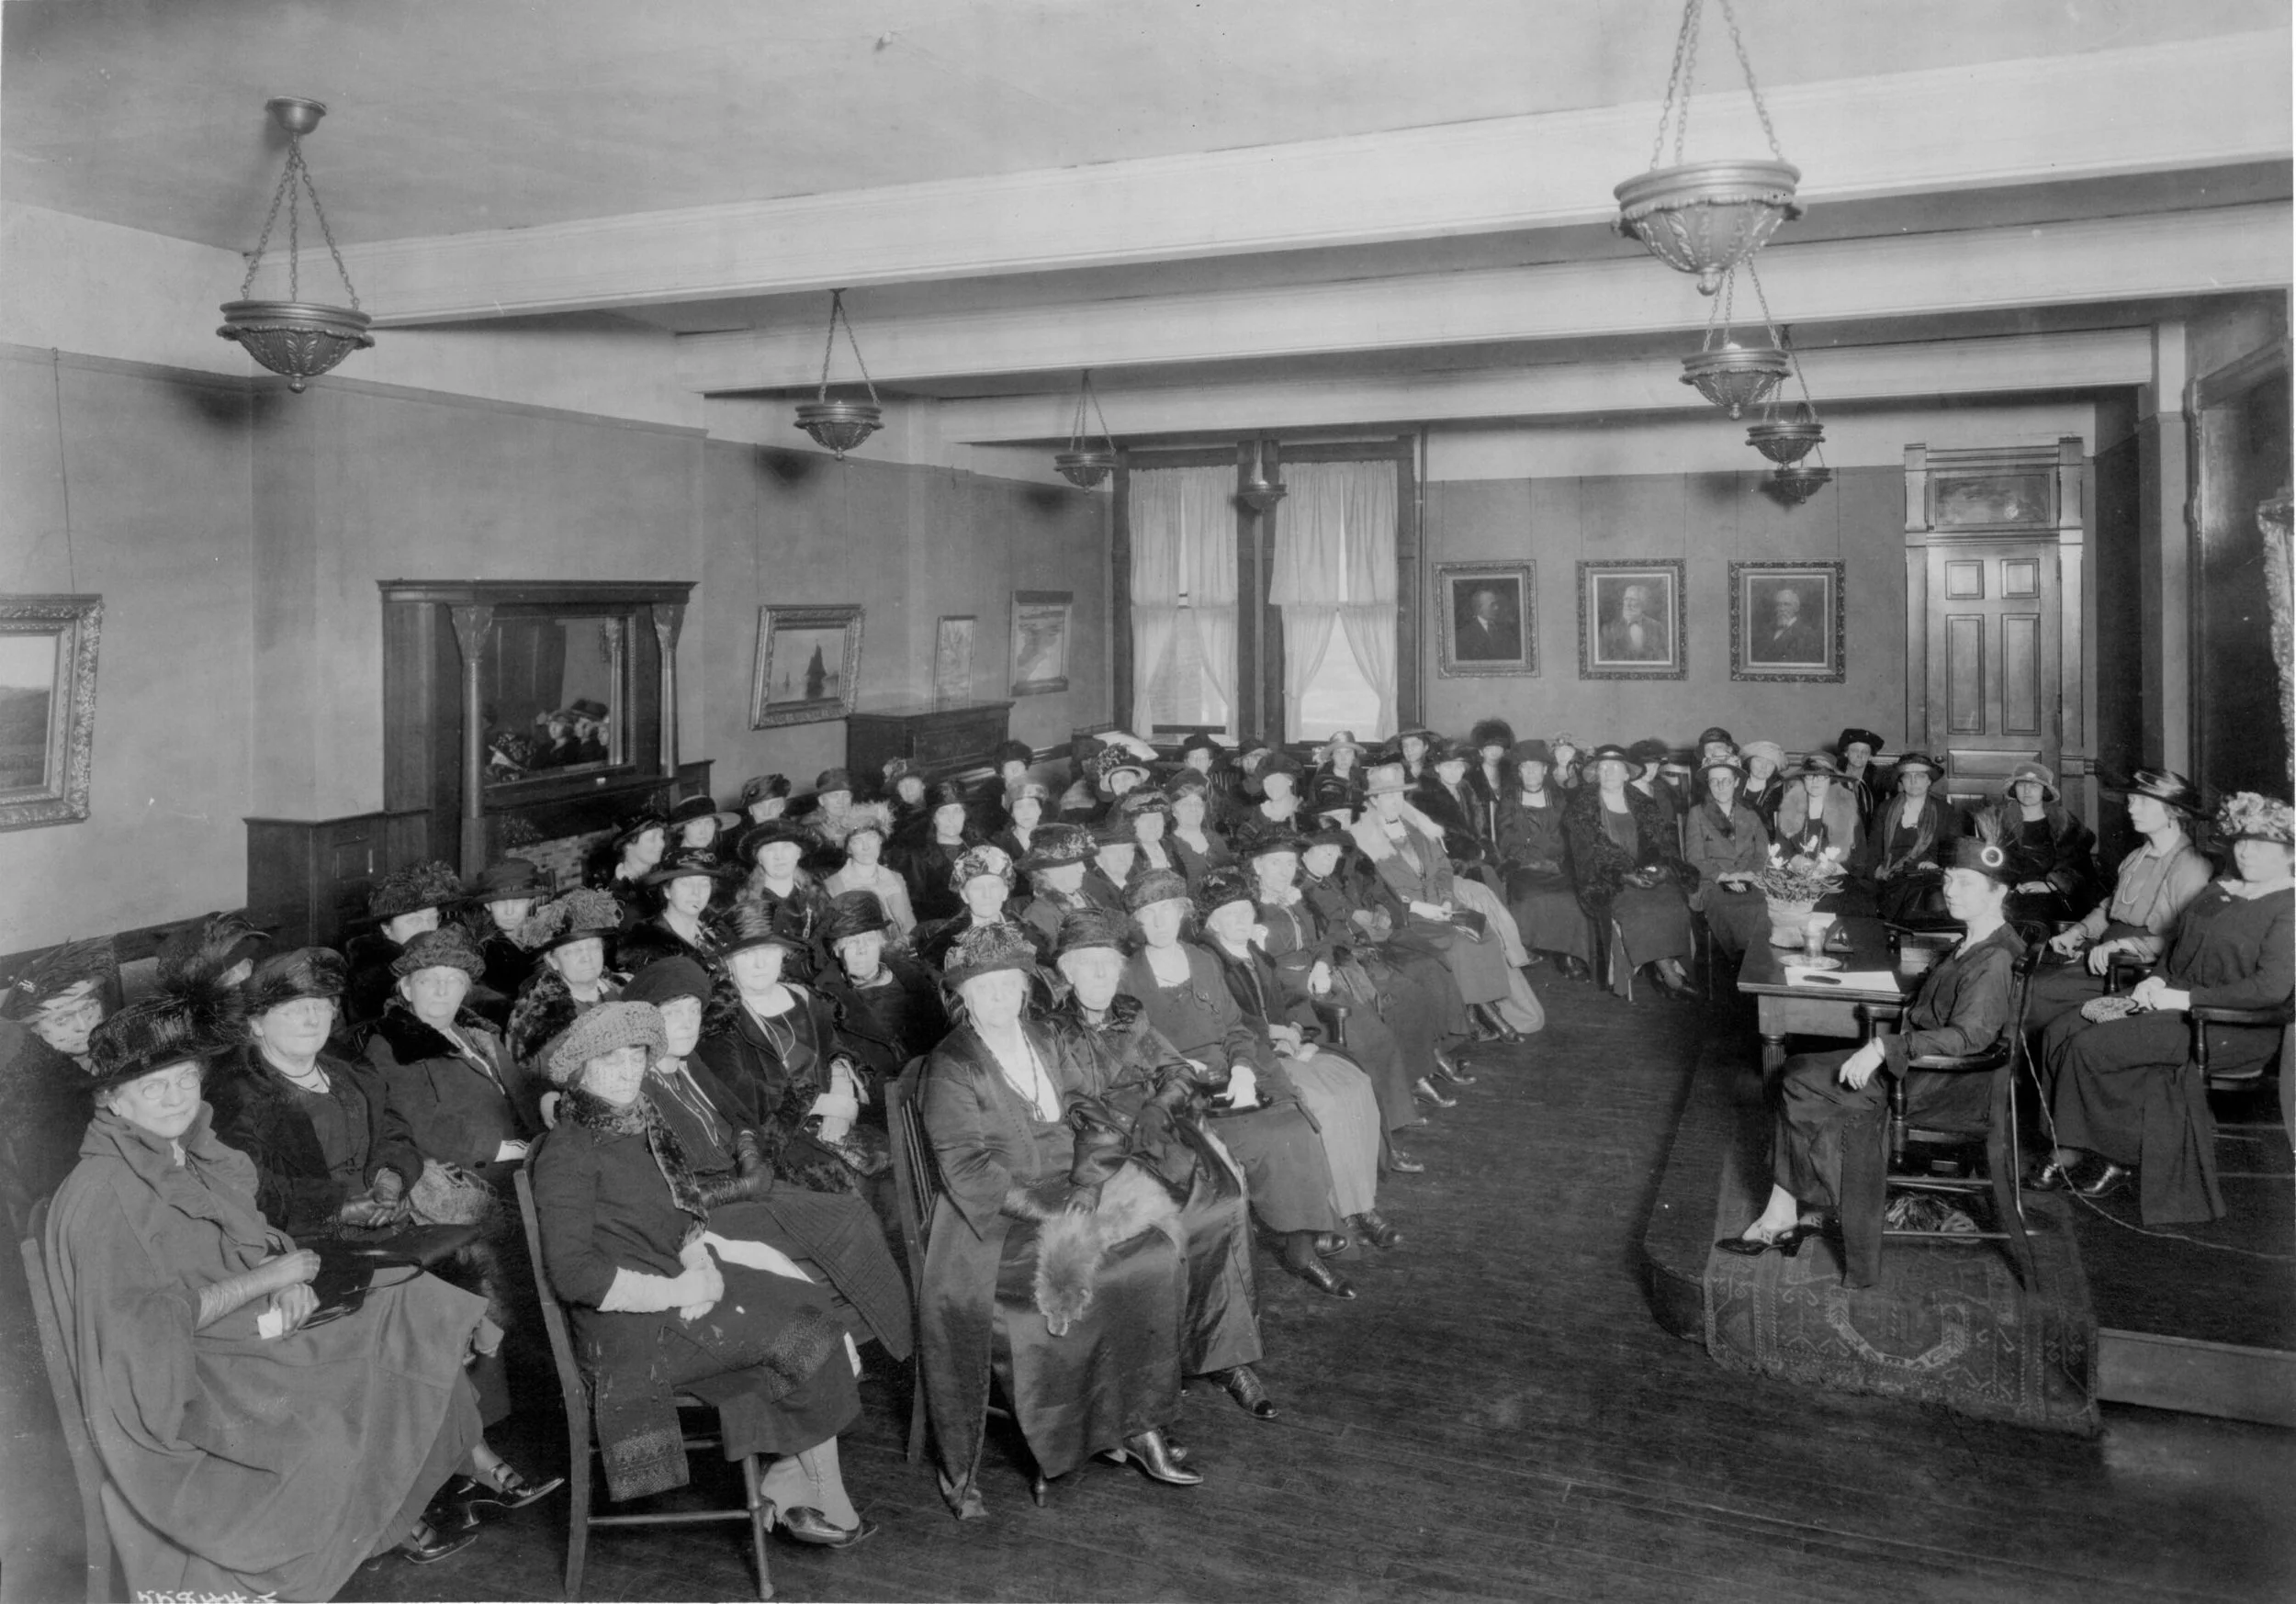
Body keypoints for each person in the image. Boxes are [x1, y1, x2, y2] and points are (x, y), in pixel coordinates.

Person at [48, 970, 546, 1589]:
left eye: (185, 1078)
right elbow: (146, 1333)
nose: (176, 1097)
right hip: (201, 1370)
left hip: (251, 1326)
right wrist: (269, 1279)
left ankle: (411, 1496)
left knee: (418, 1302)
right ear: (112, 1100)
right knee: (369, 1363)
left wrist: (280, 1273)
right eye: (154, 1086)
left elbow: (253, 1232)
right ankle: (376, 1520)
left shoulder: (189, 1149)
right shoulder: (105, 1194)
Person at [530, 1003, 873, 1545]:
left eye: (636, 1056)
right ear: (580, 1070)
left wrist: (702, 1268)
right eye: (610, 1060)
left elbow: (683, 1216)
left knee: (808, 1303)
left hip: (673, 1288)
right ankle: (817, 1493)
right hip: (628, 1330)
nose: (626, 1071)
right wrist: (677, 1289)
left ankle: (790, 1476)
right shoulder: (568, 1151)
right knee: (805, 1331)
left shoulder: (640, 1124)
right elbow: (575, 1276)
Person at [918, 923, 1202, 1518]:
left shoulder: (1044, 1036)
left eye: (1009, 985)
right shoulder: (951, 1065)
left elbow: (1086, 1107)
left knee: (1154, 1253)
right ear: (962, 997)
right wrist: (1051, 1208)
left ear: (1026, 989)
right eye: (985, 989)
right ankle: (1082, 1433)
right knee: (1095, 1275)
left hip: (1070, 1187)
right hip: (994, 1220)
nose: (1000, 998)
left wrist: (1089, 1180)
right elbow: (968, 1169)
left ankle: (1138, 1422)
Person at [1722, 836, 2026, 1286]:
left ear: (1999, 892)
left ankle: (1796, 1206)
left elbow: (1969, 1037)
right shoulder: (1975, 941)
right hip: (1919, 1067)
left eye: (1965, 882)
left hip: (1938, 1085)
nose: (1950, 890)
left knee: (1799, 1083)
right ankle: (1784, 1208)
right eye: (1948, 879)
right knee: (1797, 1072)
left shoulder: (1995, 957)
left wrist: (1885, 1047)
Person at [1041, 907, 1276, 1419]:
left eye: (1109, 965)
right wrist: (1124, 1122)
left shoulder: (1131, 1013)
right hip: (1099, 1150)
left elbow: (1176, 1070)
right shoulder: (1052, 1030)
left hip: (1157, 1133)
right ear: (1067, 971)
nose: (1101, 975)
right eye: (1088, 965)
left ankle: (1227, 1355)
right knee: (1167, 1229)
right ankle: (1167, 1358)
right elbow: (1068, 1101)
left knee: (1224, 1203)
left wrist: (1159, 1107)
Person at [621, 958, 914, 1363]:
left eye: (693, 1011)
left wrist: (749, 1157)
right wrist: (742, 1185)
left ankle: (873, 1343)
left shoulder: (688, 1064)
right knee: (836, 1231)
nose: (687, 1024)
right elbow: (665, 1193)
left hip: (745, 1186)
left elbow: (739, 1118)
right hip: (702, 1215)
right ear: (647, 1022)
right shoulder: (637, 1088)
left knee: (853, 1212)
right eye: (672, 1014)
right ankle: (842, 1350)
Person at [2033, 791, 2293, 1223]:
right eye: (2243, 841)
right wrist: (2156, 979)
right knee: (2063, 1028)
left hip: (2229, 1025)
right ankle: (2070, 1141)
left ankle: (2108, 1155)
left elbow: (2270, 989)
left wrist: (2185, 999)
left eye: (2262, 845)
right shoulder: (2221, 889)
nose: (2247, 852)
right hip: (2175, 1002)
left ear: (2290, 854)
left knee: (2092, 1047)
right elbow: (2177, 949)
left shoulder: (2289, 905)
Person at [1121, 872, 1357, 1297]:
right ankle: (1298, 1239)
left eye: (1167, 911)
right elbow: (1133, 1045)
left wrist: (1244, 1069)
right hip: (1178, 1087)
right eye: (1148, 914)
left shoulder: (1202, 960)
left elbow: (1234, 1026)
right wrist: (1179, 1065)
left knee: (1295, 1121)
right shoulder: (1127, 976)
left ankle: (1299, 1236)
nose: (1159, 923)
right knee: (1270, 1137)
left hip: (1232, 1073)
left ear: (1182, 914)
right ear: (1136, 922)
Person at [1235, 832, 1435, 1158]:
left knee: (1379, 1037)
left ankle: (1394, 1117)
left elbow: (1322, 941)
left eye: (1290, 863)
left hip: (1318, 982)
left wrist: (1321, 967)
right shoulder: (1248, 910)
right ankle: (1377, 1142)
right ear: (1257, 867)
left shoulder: (1297, 899)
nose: (1284, 871)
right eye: (1275, 863)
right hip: (1285, 997)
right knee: (1359, 1049)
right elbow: (1251, 970)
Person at [694, 903, 886, 1199]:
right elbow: (738, 1091)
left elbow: (834, 1048)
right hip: (777, 1142)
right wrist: (821, 1105)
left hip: (838, 1122)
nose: (760, 964)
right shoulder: (721, 1017)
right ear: (728, 962)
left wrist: (842, 1090)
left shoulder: (803, 996)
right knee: (854, 1195)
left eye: (769, 951)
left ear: (783, 955)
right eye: (747, 955)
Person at [1352, 763, 1528, 1038]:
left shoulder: (1418, 828)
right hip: (1407, 917)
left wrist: (1446, 900)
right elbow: (1372, 892)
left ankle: (1478, 1009)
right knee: (1459, 944)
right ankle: (1482, 1015)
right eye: (1387, 796)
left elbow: (1444, 869)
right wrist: (1417, 907)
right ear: (1373, 800)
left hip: (1443, 907)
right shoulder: (1363, 840)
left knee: (1484, 934)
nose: (1394, 801)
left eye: (1398, 795)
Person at [2031, 768, 2213, 1027]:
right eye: (2131, 801)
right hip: (2103, 959)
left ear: (2174, 811)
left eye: (2143, 802)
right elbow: (2111, 908)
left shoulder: (2191, 867)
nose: (2131, 809)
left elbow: (2186, 941)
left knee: (2037, 991)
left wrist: (2125, 945)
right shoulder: (2136, 857)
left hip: (2135, 971)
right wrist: (2078, 932)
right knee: (2029, 979)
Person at [366, 926, 544, 1177]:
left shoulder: (475, 1034)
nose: (442, 991)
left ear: (465, 990)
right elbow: (421, 1125)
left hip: (526, 1157)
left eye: (453, 981)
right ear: (407, 989)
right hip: (472, 1175)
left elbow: (523, 1090)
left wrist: (546, 1103)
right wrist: (506, 1148)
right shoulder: (391, 1044)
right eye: (429, 980)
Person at [1563, 744, 1698, 1000]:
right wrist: (1623, 875)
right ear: (1596, 774)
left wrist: (1660, 870)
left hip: (1645, 874)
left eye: (1616, 767)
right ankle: (1669, 974)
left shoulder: (1644, 804)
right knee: (1641, 908)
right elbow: (1586, 858)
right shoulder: (1581, 809)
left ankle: (1666, 970)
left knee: (1674, 903)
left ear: (1627, 774)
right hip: (1606, 880)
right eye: (1603, 768)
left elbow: (1663, 846)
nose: (1609, 772)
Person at [0, 937, 115, 1234]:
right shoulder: (36, 1102)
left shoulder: (124, 1057)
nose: (83, 1026)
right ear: (34, 1029)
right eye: (63, 1019)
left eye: (89, 1008)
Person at [815, 891, 950, 1082]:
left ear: (880, 943)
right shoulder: (823, 999)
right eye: (852, 942)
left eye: (869, 940)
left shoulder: (916, 977)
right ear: (836, 949)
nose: (862, 949)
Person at [1496, 739, 1593, 977]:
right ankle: (1528, 947)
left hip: (1555, 864)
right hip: (1522, 865)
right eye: (1525, 767)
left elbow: (1567, 834)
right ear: (1519, 772)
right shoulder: (1510, 799)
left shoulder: (1558, 798)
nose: (1531, 772)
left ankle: (1567, 952)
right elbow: (1506, 837)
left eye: (1536, 766)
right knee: (1530, 896)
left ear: (1545, 770)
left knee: (1571, 898)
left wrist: (1552, 856)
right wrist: (1529, 856)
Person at [504, 886, 627, 1070]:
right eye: (574, 951)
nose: (587, 957)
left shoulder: (624, 990)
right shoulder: (536, 1017)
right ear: (552, 960)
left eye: (593, 947)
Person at [1970, 761, 2097, 932]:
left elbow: (2081, 867)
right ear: (2014, 789)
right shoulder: (1997, 821)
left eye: (2034, 786)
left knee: (2034, 916)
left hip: (2051, 897)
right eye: (2021, 785)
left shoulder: (2063, 823)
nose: (2027, 791)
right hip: (2005, 894)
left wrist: (2051, 885)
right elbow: (1985, 863)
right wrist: (2006, 886)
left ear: (2045, 791)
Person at [345, 861, 465, 1031]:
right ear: (386, 928)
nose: (427, 928)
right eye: (414, 920)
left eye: (432, 918)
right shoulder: (373, 975)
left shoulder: (446, 954)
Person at [1680, 754, 1773, 961]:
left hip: (1749, 878)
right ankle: (1739, 963)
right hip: (1714, 881)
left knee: (1763, 906)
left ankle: (1758, 962)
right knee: (1726, 907)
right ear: (1708, 784)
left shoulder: (1751, 813)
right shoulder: (1697, 814)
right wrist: (1724, 877)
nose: (1721, 786)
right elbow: (1695, 857)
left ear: (1737, 782)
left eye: (1726, 781)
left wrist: (1749, 874)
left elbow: (1763, 853)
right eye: (1714, 781)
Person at [1857, 752, 1959, 928]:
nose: (1913, 781)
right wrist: (1876, 870)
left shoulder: (1945, 811)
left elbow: (1952, 851)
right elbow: (1873, 847)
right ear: (1901, 781)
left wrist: (1936, 865)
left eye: (1920, 776)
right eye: (1908, 776)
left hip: (1927, 879)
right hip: (1890, 876)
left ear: (1929, 781)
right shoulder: (1886, 809)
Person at [738, 815, 835, 978]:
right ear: (759, 858)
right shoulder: (747, 904)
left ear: (799, 853)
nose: (779, 856)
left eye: (787, 847)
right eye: (770, 849)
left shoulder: (818, 895)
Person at [616, 848, 735, 975]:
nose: (696, 892)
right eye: (685, 883)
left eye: (704, 884)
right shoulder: (646, 944)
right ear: (667, 890)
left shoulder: (718, 931)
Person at [464, 856, 547, 1029]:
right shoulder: (479, 954)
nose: (510, 911)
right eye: (501, 902)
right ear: (488, 905)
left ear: (531, 901)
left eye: (518, 901)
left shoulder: (544, 940)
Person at [1773, 751, 1864, 909]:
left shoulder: (1846, 810)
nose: (1815, 781)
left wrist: (1827, 870)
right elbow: (1781, 847)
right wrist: (1803, 863)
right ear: (1803, 779)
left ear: (1831, 779)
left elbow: (1858, 856)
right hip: (1797, 877)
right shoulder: (1790, 808)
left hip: (1835, 880)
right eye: (1810, 776)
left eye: (1822, 776)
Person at [823, 802, 918, 942]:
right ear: (848, 848)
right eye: (857, 841)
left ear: (880, 840)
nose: (866, 847)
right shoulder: (833, 885)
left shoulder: (895, 878)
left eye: (871, 837)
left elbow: (910, 927)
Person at [897, 782, 981, 925]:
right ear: (933, 818)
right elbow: (916, 907)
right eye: (943, 812)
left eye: (957, 811)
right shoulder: (917, 857)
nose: (951, 818)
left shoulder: (981, 849)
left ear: (965, 815)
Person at [588, 810, 670, 925]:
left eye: (661, 837)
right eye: (652, 839)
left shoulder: (666, 874)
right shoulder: (614, 896)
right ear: (628, 845)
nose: (661, 844)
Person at [1165, 772, 1235, 889]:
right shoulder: (1168, 847)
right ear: (1174, 811)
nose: (1193, 809)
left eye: (1198, 804)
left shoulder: (1215, 839)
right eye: (1186, 804)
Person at [1598, 582, 1668, 662]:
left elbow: (1664, 658)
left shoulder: (1657, 627)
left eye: (1633, 600)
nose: (1627, 604)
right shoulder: (1608, 629)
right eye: (1626, 599)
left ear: (1644, 604)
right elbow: (1603, 660)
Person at [1755, 586, 1822, 665]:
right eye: (1778, 605)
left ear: (1796, 608)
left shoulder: (1807, 634)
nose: (1782, 609)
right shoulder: (1768, 631)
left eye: (1786, 604)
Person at [1454, 584, 1520, 661]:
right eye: (1492, 605)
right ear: (1479, 608)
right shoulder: (1464, 635)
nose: (1497, 608)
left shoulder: (1506, 630)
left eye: (1496, 603)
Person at [1739, 739, 1789, 830]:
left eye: (1770, 763)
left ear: (1775, 768)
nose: (1764, 767)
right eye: (1759, 761)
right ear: (1749, 762)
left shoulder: (1783, 791)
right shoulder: (1734, 785)